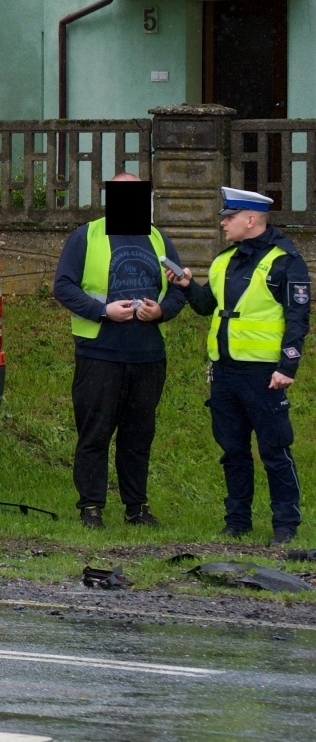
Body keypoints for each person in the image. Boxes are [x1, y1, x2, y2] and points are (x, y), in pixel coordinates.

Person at [170, 187, 308, 545]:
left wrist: (287, 367)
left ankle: (286, 524)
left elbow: (298, 318)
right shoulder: (223, 260)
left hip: (265, 375)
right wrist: (186, 285)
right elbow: (206, 307)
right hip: (225, 372)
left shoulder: (285, 261)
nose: (223, 224)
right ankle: (237, 521)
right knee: (233, 450)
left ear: (251, 220)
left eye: (228, 218)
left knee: (275, 450)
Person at [52, 174, 186, 528]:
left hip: (147, 356)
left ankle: (136, 507)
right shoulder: (87, 236)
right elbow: (63, 286)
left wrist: (161, 312)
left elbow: (178, 289)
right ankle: (91, 507)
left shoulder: (157, 237)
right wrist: (103, 311)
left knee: (138, 436)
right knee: (94, 434)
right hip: (99, 353)